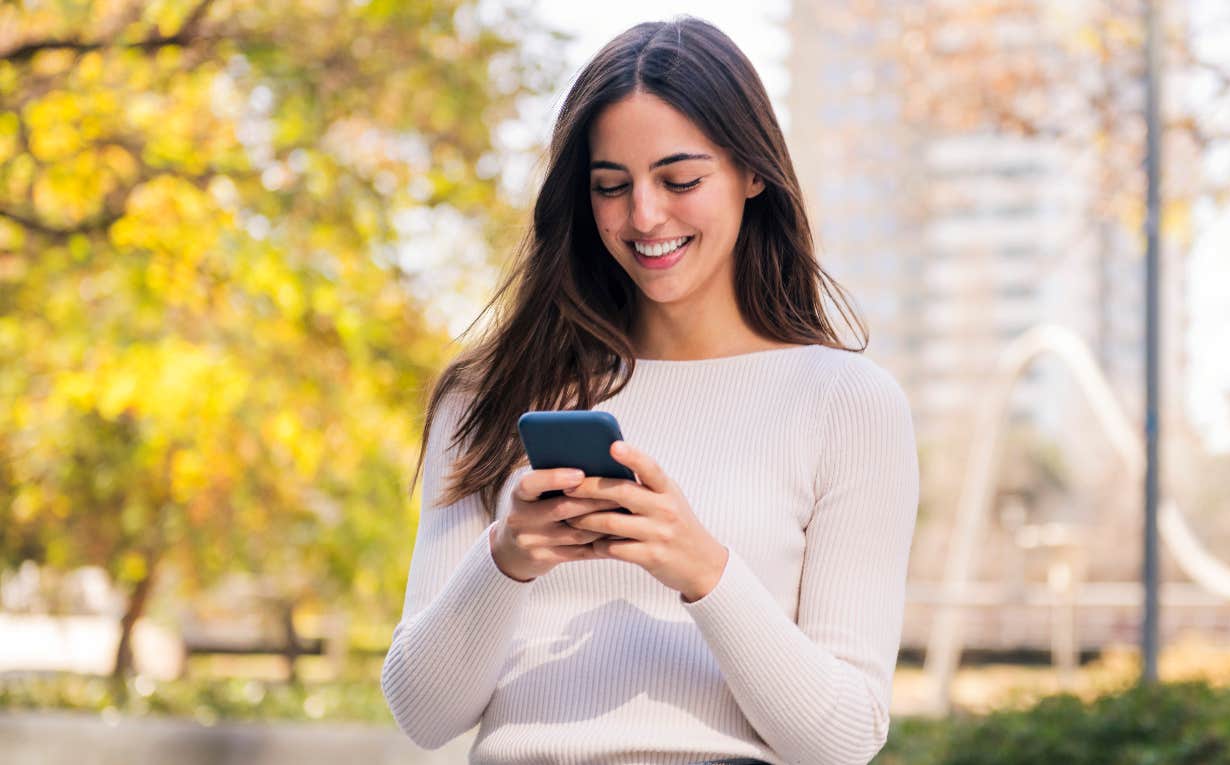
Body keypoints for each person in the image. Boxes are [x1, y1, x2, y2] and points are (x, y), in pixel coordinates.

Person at [381, 15, 919, 765]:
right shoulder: (488, 394)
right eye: (611, 186)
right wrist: (506, 556)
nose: (644, 216)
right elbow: (422, 712)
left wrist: (701, 567)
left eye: (680, 179)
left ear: (752, 172)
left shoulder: (845, 403)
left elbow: (842, 739)